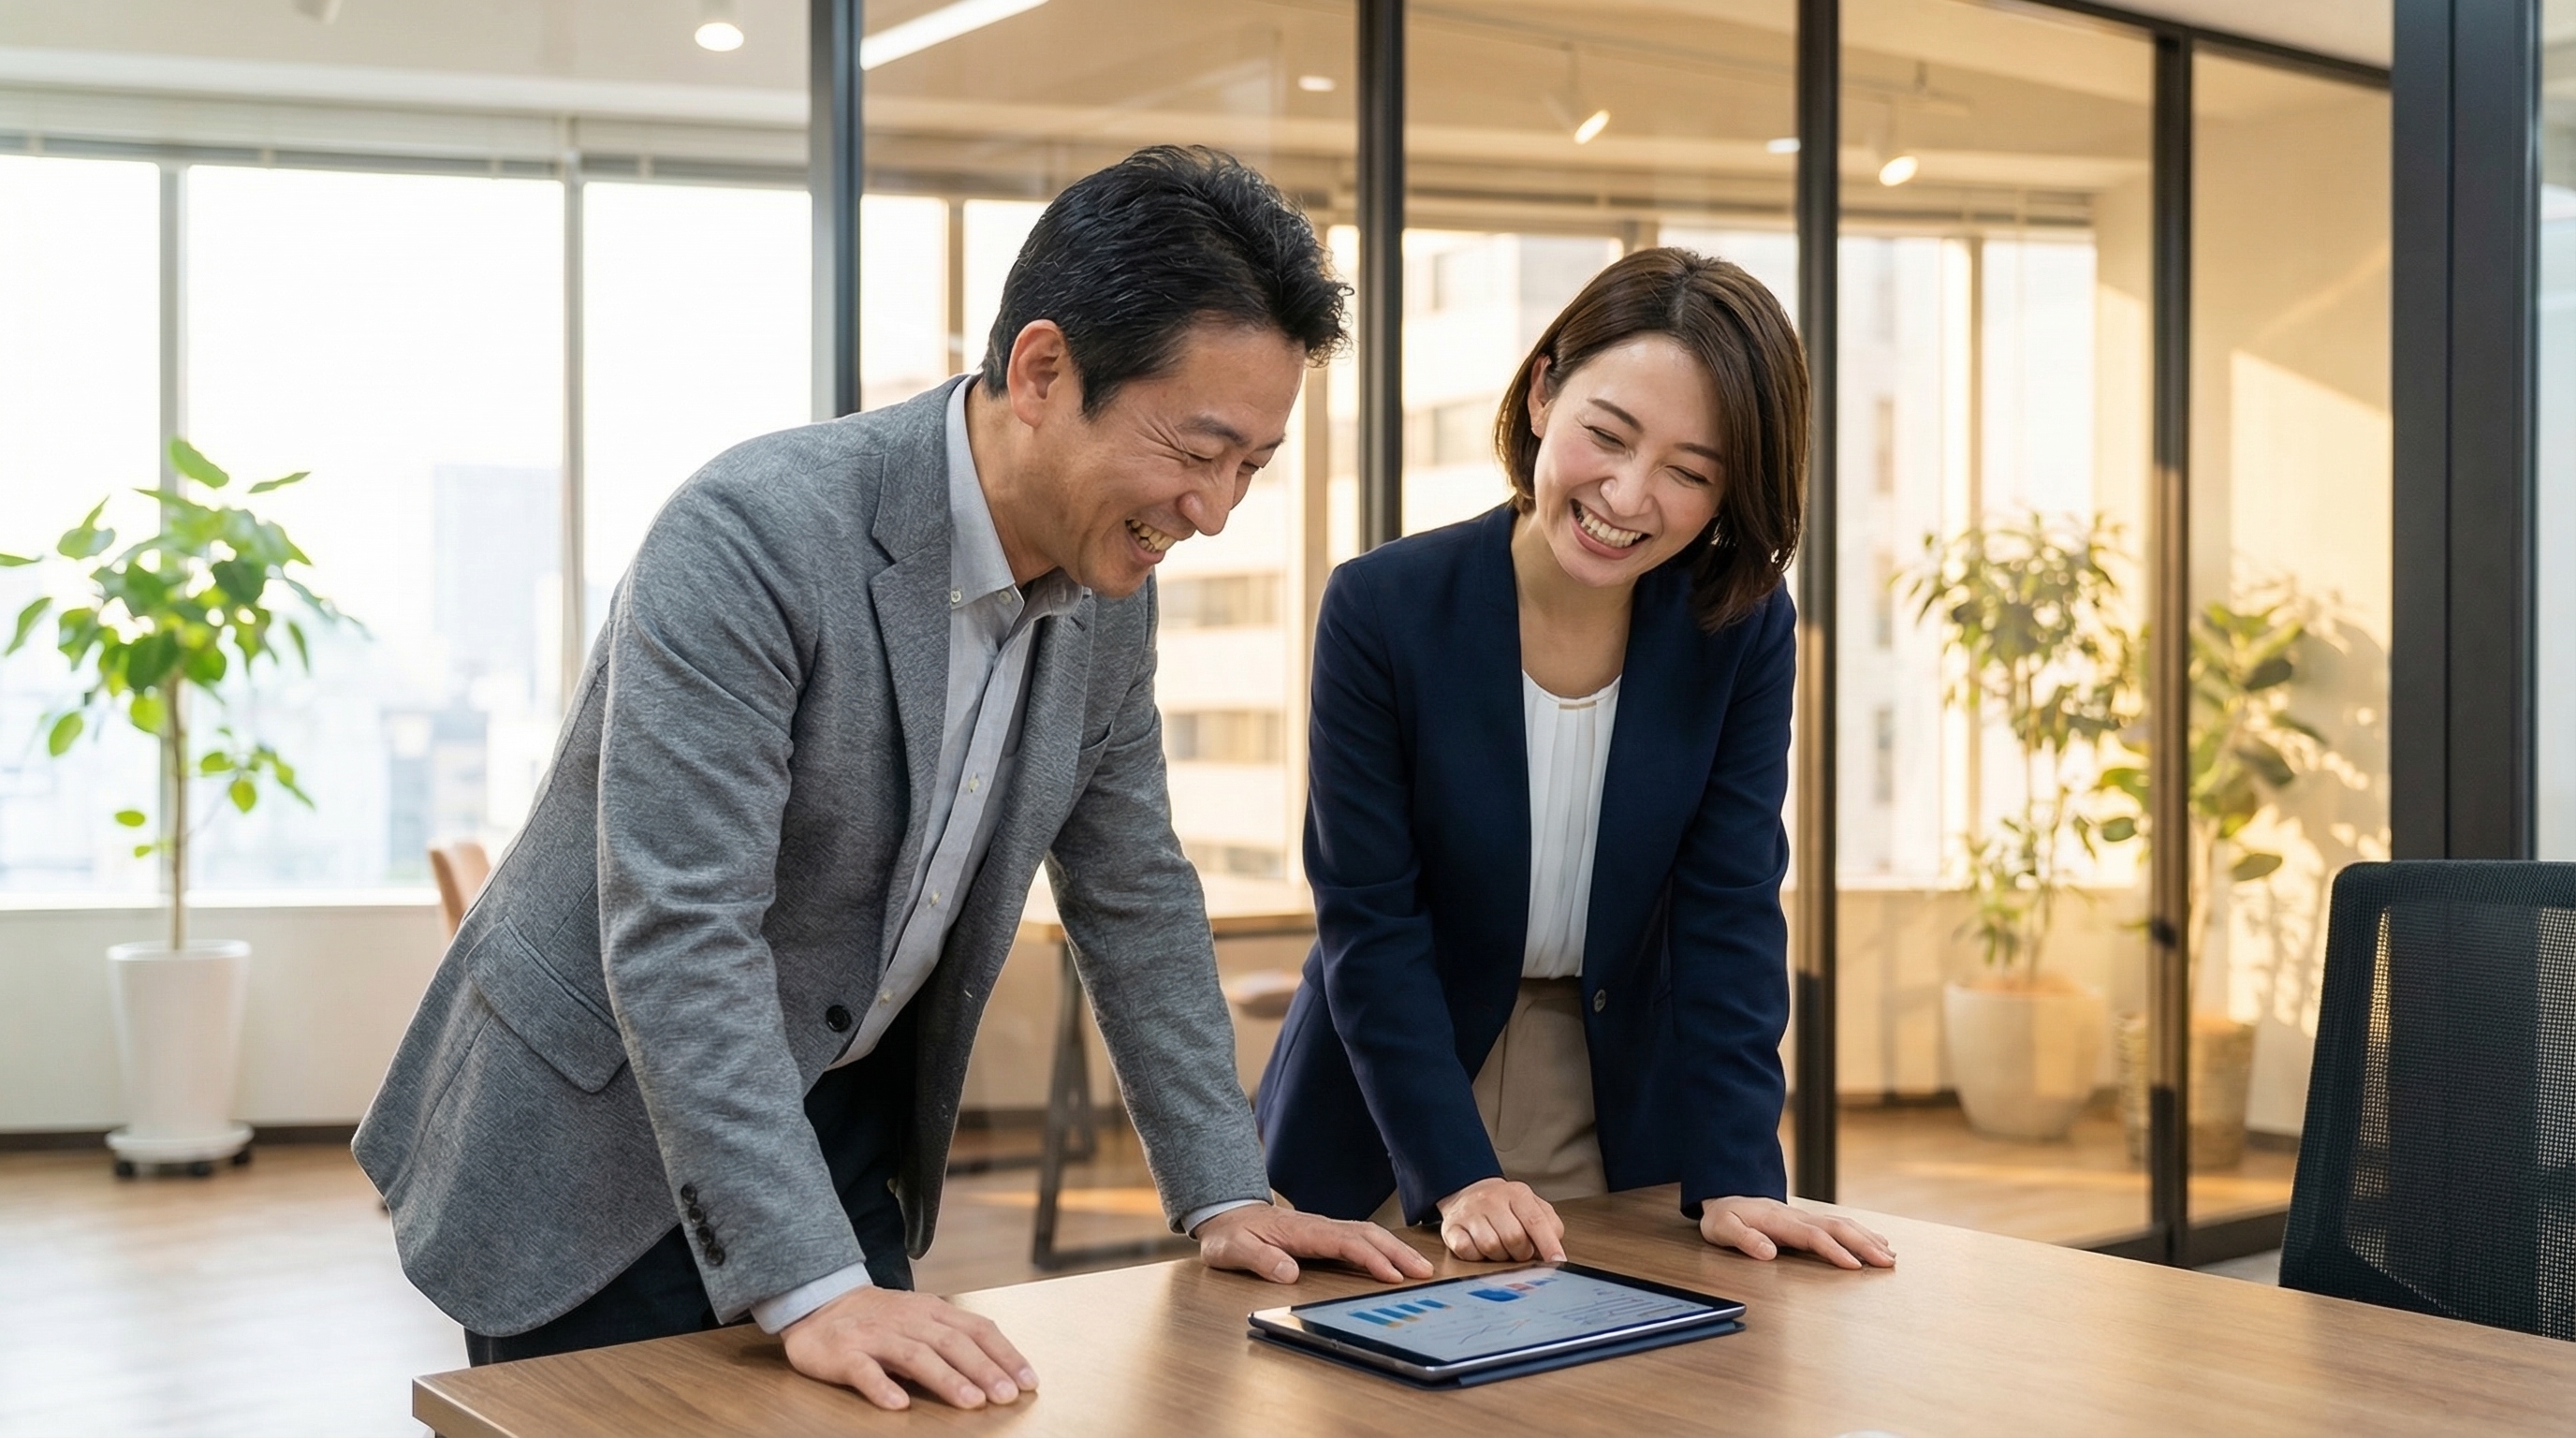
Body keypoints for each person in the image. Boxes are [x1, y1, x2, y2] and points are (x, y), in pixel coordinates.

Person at [355, 146, 1431, 1415]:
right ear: (1041, 372)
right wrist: (811, 1280)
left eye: (1253, 464)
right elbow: (682, 933)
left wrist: (1226, 1187)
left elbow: (1134, 893)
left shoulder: (1107, 597)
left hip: (840, 1113)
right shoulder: (752, 534)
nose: (1215, 511)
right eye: (1197, 449)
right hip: (601, 1134)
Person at [1255, 248, 1895, 1273]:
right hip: (1385, 1088)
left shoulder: (1738, 628)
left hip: (1606, 1093)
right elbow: (1370, 922)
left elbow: (1727, 907)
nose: (1629, 496)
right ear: (1545, 392)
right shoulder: (1382, 607)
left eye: (1690, 472)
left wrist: (1740, 1170)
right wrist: (1458, 1174)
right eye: (1608, 435)